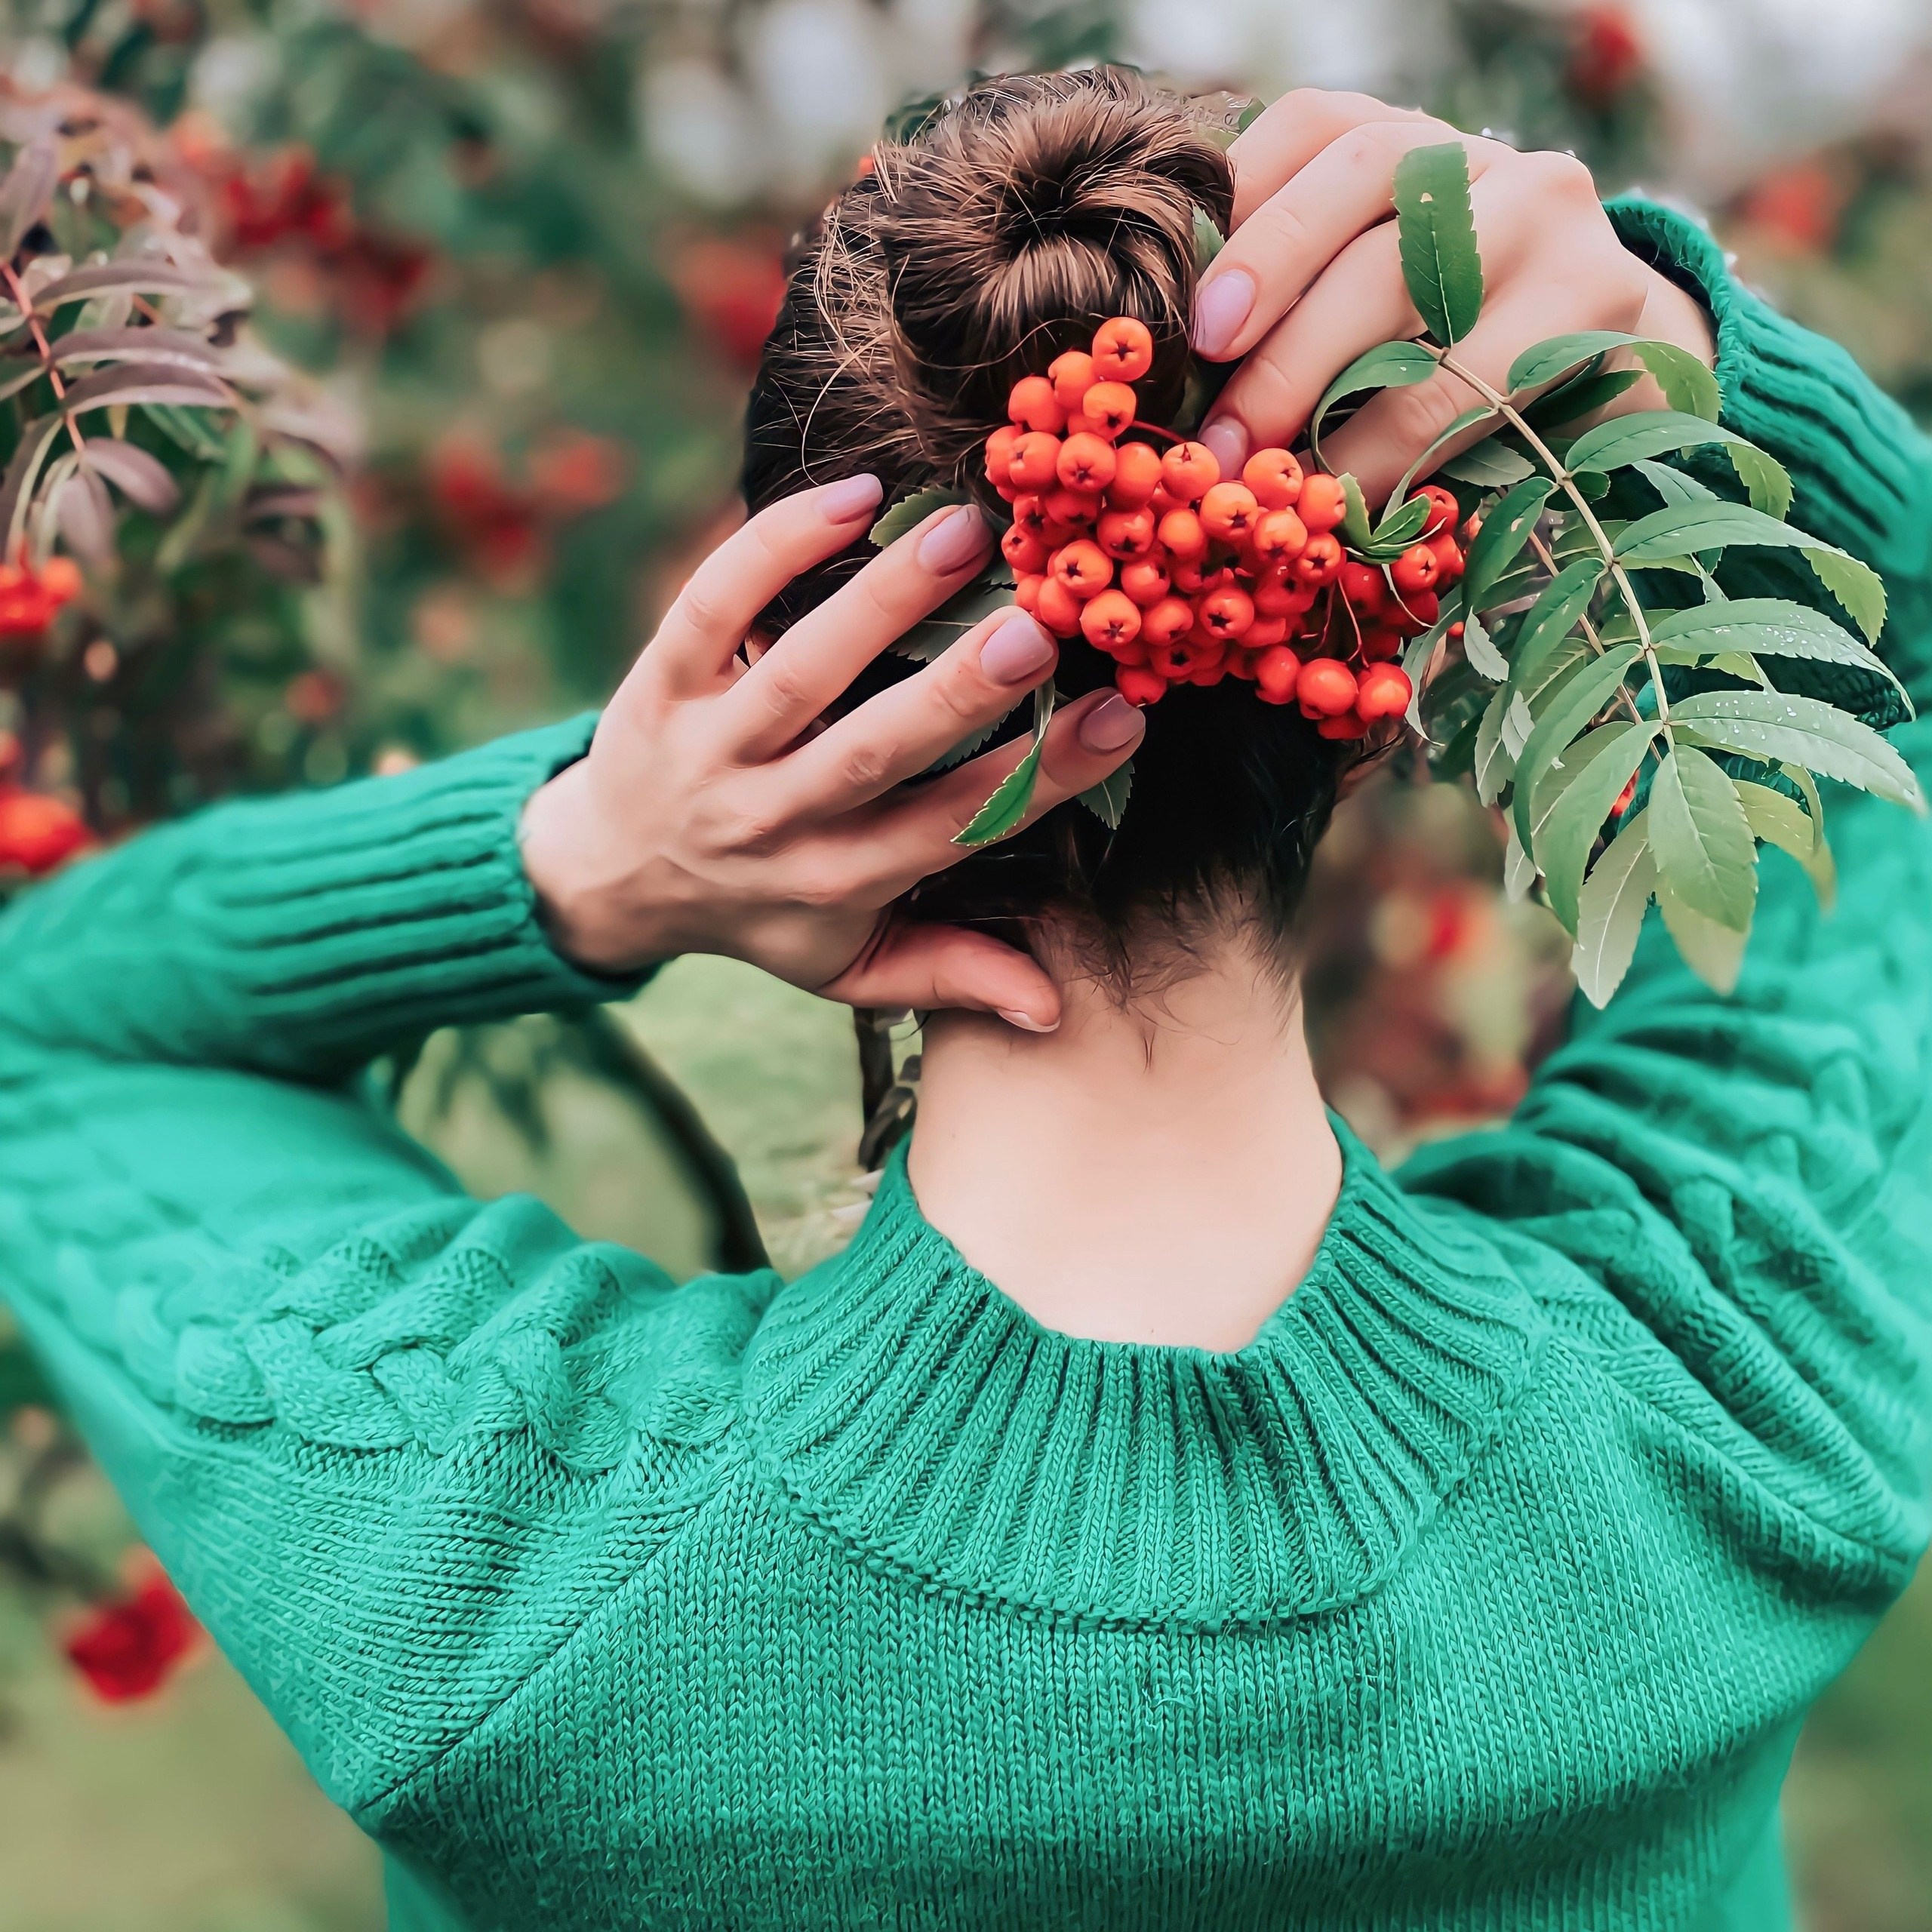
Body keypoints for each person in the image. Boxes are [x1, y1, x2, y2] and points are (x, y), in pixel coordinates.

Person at [1, 67, 1927, 1932]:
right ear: (1370, 683)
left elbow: (50, 1019)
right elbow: (1886, 675)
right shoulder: (1747, 1391)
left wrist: (588, 856)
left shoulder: (486, 1583)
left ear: (798, 686)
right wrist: (1687, 339)